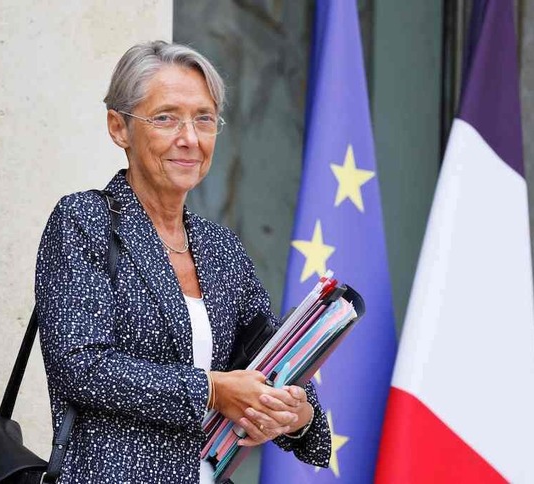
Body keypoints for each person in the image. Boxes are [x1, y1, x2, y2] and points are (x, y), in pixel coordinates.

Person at [35, 40, 331, 484]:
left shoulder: (220, 248)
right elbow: (81, 365)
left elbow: (268, 356)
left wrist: (297, 412)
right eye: (166, 117)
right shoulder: (84, 221)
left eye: (204, 119)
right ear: (119, 128)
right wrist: (212, 389)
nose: (189, 138)